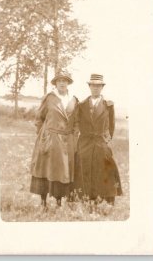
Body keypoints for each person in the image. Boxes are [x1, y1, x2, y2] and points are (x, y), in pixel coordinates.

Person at [30, 69, 79, 208]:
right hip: (49, 139)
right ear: (56, 83)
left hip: (66, 141)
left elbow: (76, 123)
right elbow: (39, 118)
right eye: (59, 80)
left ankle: (59, 202)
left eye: (65, 80)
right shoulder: (49, 98)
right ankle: (43, 202)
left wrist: (74, 139)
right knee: (45, 170)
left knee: (62, 172)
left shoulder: (74, 100)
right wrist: (43, 136)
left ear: (68, 83)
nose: (62, 83)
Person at [76, 74, 122, 207]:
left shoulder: (108, 105)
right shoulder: (82, 105)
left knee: (105, 168)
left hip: (100, 142)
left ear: (102, 87)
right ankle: (86, 198)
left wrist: (106, 139)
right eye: (93, 85)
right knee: (84, 168)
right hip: (85, 142)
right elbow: (77, 123)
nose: (95, 88)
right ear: (89, 86)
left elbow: (111, 126)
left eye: (98, 86)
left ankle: (106, 199)